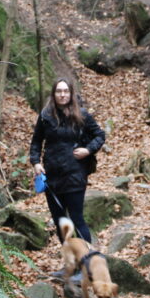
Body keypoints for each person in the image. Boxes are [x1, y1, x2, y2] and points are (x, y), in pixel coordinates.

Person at [29, 77, 105, 246]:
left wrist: (88, 150)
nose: (62, 95)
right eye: (59, 91)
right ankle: (69, 258)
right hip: (52, 176)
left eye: (65, 91)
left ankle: (86, 258)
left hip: (75, 175)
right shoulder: (45, 116)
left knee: (77, 220)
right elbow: (36, 141)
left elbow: (100, 135)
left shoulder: (82, 115)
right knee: (60, 221)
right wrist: (36, 162)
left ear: (71, 94)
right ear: (53, 94)